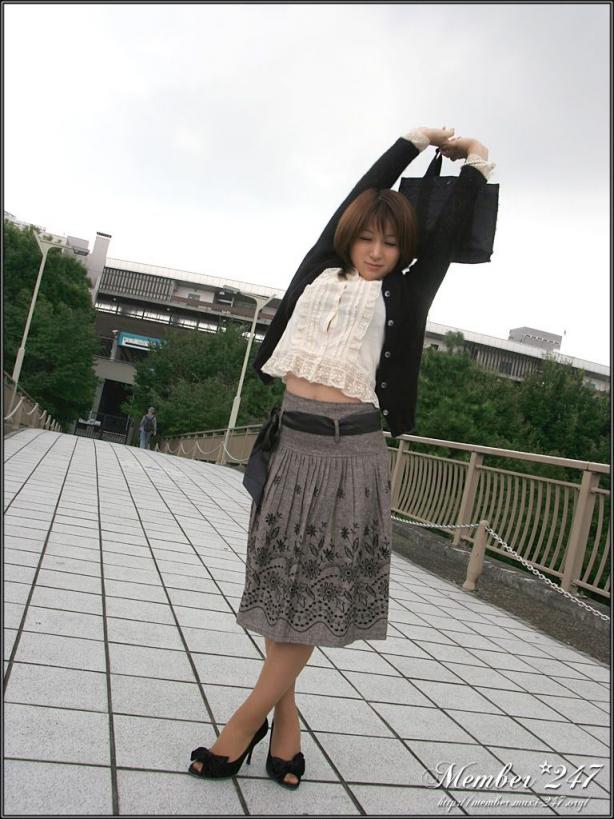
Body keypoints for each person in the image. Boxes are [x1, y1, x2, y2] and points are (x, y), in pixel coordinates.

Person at [188, 126, 495, 787]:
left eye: (391, 243)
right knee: (281, 588)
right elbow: (359, 194)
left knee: (313, 592)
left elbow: (444, 240)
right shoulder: (317, 271)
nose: (377, 251)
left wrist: (475, 163)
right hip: (290, 446)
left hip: (349, 453)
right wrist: (412, 141)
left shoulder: (406, 292)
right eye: (367, 237)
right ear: (349, 236)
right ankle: (287, 727)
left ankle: (241, 726)